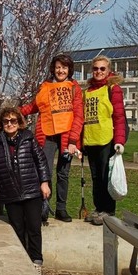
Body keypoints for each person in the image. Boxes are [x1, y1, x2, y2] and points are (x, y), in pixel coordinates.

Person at [0, 107, 51, 275]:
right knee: (17, 229)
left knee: (34, 228)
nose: (10, 124)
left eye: (13, 121)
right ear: (1, 124)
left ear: (19, 123)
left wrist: (44, 182)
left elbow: (41, 161)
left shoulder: (29, 139)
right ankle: (21, 262)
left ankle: (36, 262)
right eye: (6, 121)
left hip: (31, 191)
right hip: (10, 193)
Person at [20, 54, 84, 222]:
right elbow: (36, 106)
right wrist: (20, 111)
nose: (60, 70)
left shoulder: (74, 88)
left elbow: (78, 115)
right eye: (57, 67)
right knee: (44, 172)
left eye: (64, 67)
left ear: (69, 69)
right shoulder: (46, 87)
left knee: (63, 173)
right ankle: (44, 207)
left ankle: (61, 208)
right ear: (53, 69)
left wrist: (73, 141)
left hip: (66, 137)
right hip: (47, 135)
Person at [82, 55, 127, 225]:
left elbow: (119, 116)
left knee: (105, 176)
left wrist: (119, 140)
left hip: (106, 139)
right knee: (95, 177)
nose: (98, 72)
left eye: (102, 68)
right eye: (95, 68)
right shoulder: (87, 91)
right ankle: (98, 208)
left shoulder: (113, 88)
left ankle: (108, 210)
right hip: (91, 140)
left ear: (108, 70)